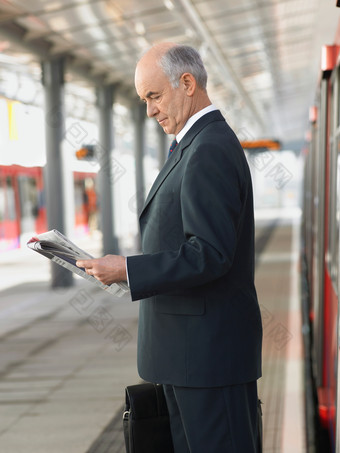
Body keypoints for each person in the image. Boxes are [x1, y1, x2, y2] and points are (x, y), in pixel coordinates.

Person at [77, 42, 262, 452]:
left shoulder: (208, 148)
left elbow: (210, 252)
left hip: (208, 360)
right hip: (189, 356)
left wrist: (128, 270)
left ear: (187, 83)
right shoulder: (193, 144)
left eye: (154, 96)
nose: (150, 110)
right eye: (144, 100)